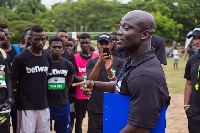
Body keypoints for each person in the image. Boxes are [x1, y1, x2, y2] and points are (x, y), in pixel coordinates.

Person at [73, 10, 170, 133]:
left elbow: (138, 129)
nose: (119, 32)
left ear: (144, 34)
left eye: (126, 28)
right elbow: (123, 85)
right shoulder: (133, 62)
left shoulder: (146, 75)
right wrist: (95, 85)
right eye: (120, 27)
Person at [11, 25, 52, 133]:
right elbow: (13, 79)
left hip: (43, 104)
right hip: (26, 106)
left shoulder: (47, 56)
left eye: (43, 39)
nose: (40, 42)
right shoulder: (20, 58)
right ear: (30, 39)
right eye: (36, 39)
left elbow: (47, 77)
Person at [86, 33, 123, 133]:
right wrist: (99, 63)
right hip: (95, 108)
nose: (103, 46)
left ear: (111, 44)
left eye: (106, 43)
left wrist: (109, 71)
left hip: (113, 107)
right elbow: (90, 82)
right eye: (101, 43)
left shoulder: (119, 62)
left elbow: (118, 85)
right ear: (97, 45)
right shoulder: (91, 62)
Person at [47, 36, 75, 133]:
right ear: (49, 48)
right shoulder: (45, 63)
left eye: (59, 47)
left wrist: (66, 89)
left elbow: (71, 77)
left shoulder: (68, 64)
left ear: (63, 49)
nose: (57, 49)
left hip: (63, 104)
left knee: (63, 131)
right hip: (46, 105)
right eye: (54, 47)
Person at [74, 33, 99, 133]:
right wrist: (86, 82)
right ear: (79, 43)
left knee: (93, 118)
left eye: (86, 43)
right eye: (82, 43)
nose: (84, 45)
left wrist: (91, 83)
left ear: (90, 43)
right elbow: (74, 75)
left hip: (94, 93)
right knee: (79, 118)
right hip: (80, 94)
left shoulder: (97, 56)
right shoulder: (75, 57)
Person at [184, 24, 200, 133]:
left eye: (199, 38)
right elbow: (189, 83)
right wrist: (186, 105)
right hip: (195, 112)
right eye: (195, 39)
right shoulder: (192, 61)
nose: (196, 42)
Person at [0, 28, 12, 133]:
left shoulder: (3, 55)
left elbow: (7, 78)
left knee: (4, 129)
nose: (1, 42)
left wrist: (9, 99)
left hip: (2, 103)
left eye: (1, 39)